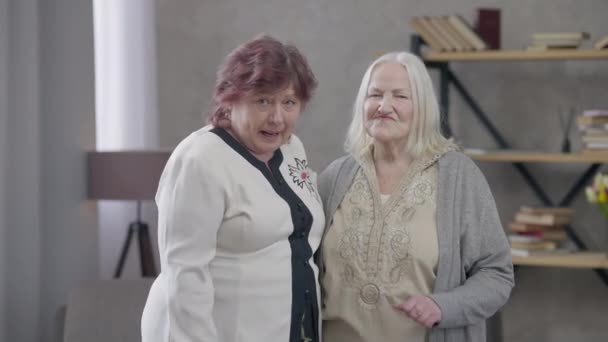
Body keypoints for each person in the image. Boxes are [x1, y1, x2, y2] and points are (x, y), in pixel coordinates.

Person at [317, 51, 514, 342]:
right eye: (375, 95)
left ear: (422, 107)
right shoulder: (334, 177)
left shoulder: (459, 176)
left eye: (400, 96)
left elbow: (496, 274)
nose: (384, 106)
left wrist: (442, 306)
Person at [141, 35, 325, 342]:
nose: (277, 117)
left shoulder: (293, 149)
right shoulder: (200, 160)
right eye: (263, 100)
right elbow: (184, 277)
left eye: (289, 102)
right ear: (230, 98)